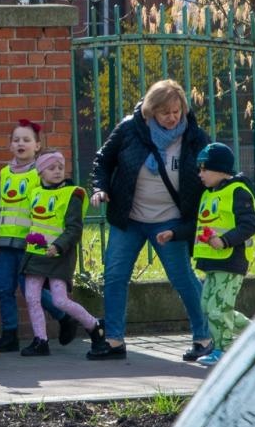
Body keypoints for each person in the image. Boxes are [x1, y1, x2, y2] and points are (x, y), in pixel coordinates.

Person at [89, 79, 213, 361]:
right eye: (164, 112)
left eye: (176, 111)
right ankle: (114, 340)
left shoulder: (195, 137)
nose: (172, 118)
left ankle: (204, 337)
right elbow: (103, 160)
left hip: (169, 221)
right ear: (150, 111)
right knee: (115, 276)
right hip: (129, 218)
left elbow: (214, 170)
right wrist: (100, 188)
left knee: (182, 279)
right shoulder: (130, 129)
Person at [0, 118, 72, 352]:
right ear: (10, 145)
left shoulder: (39, 174)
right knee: (3, 288)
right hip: (6, 243)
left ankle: (64, 317)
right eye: (16, 140)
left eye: (26, 140)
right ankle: (10, 334)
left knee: (31, 290)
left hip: (30, 245)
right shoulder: (4, 173)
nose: (21, 143)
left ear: (37, 146)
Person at [17, 152, 105, 357]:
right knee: (31, 297)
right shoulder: (35, 193)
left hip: (58, 256)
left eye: (60, 167)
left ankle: (95, 325)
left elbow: (74, 229)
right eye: (51, 168)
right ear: (40, 172)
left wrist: (58, 246)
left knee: (59, 301)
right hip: (35, 254)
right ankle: (41, 340)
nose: (57, 171)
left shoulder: (72, 194)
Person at [193, 143, 255, 367]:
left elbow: (249, 225)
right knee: (208, 307)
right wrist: (173, 233)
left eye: (204, 169)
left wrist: (225, 240)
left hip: (230, 261)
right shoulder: (208, 194)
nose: (200, 174)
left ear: (221, 169)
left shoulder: (237, 191)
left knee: (218, 309)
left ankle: (224, 350)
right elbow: (201, 226)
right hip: (212, 262)